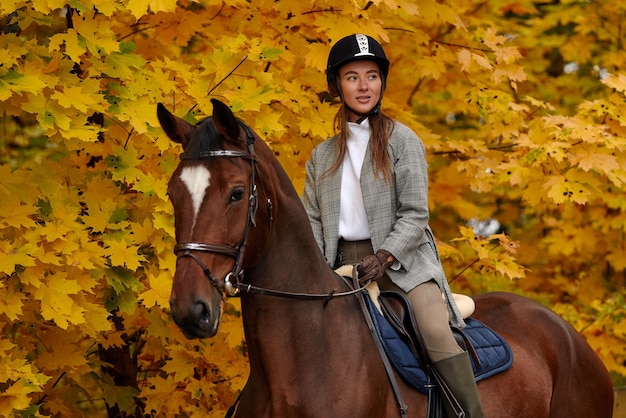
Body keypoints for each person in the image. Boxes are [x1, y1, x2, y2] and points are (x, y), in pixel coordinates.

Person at [301, 34, 485, 417]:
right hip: (341, 269)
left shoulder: (404, 142)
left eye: (372, 76)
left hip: (404, 263)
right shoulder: (320, 157)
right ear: (337, 85)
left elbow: (416, 215)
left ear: (382, 82)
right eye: (352, 77)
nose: (363, 85)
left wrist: (383, 257)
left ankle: (470, 414)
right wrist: (316, 275)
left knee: (434, 332)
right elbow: (314, 224)